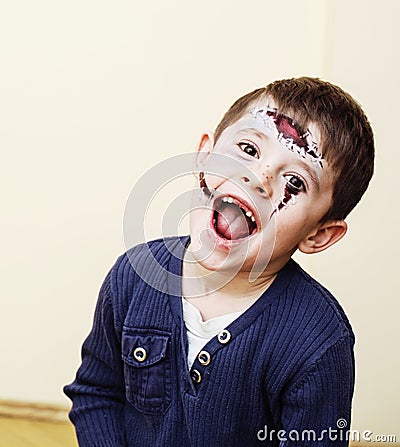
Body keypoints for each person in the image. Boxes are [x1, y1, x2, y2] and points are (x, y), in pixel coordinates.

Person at [64, 77, 375, 446]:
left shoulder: (317, 342)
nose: (258, 178)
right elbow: (97, 395)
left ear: (318, 234)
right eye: (248, 148)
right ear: (204, 156)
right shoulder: (134, 276)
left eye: (294, 182)